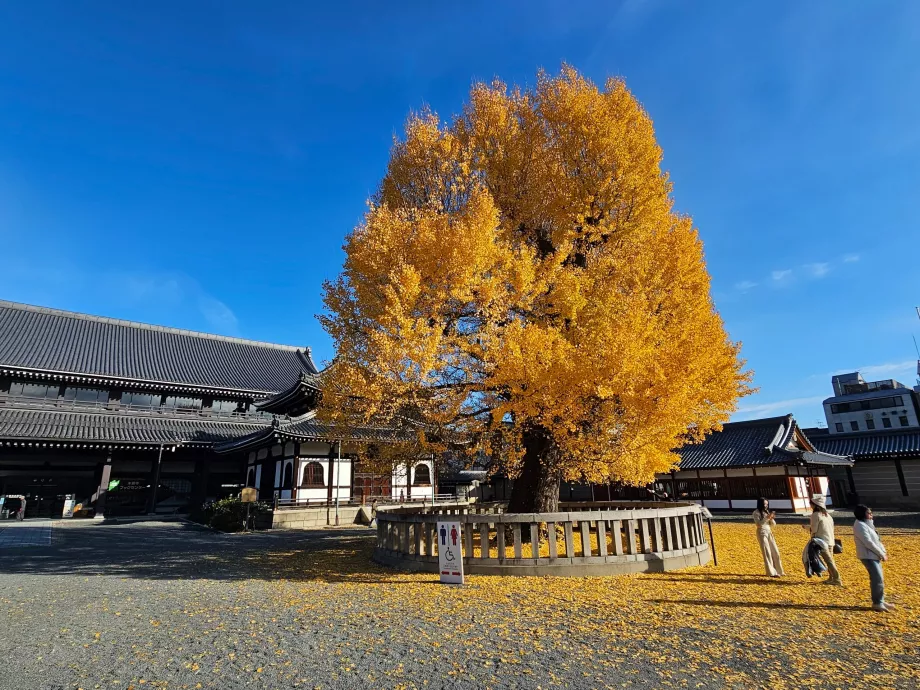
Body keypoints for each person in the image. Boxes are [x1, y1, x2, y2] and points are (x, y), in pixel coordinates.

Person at [853, 505, 893, 612]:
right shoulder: (860, 525)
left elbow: (876, 540)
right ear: (862, 514)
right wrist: (881, 553)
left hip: (873, 555)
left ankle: (880, 600)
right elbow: (868, 542)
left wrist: (882, 552)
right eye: (869, 513)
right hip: (868, 556)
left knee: (878, 578)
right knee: (877, 578)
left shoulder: (867, 524)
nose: (871, 515)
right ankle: (877, 602)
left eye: (871, 512)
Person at [802, 493, 841, 585]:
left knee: (829, 561)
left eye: (811, 504)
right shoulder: (827, 515)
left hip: (821, 541)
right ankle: (831, 578)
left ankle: (837, 579)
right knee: (830, 560)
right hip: (830, 540)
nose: (810, 505)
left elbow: (814, 529)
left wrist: (806, 527)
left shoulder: (816, 515)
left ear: (814, 505)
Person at [753, 498, 784, 577]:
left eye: (767, 504)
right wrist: (767, 518)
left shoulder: (766, 512)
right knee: (767, 553)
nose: (766, 506)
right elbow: (759, 524)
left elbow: (773, 525)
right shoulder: (756, 513)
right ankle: (771, 572)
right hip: (762, 532)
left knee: (775, 551)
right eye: (764, 504)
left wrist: (772, 518)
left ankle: (779, 570)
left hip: (769, 532)